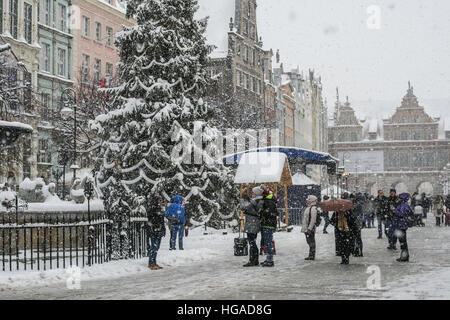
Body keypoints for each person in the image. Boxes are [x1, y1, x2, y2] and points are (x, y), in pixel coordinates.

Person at [240, 187, 263, 267]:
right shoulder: (257, 200)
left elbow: (243, 208)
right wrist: (249, 199)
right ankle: (253, 259)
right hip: (253, 224)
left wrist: (243, 199)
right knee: (252, 242)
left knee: (252, 242)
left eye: (253, 192)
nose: (252, 194)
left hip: (252, 224)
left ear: (256, 193)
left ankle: (254, 260)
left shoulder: (257, 201)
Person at [259, 186, 278, 267]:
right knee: (267, 242)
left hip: (268, 224)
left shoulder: (268, 201)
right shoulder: (270, 200)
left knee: (268, 242)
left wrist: (262, 211)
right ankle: (268, 259)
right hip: (268, 224)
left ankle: (270, 260)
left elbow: (269, 213)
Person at [393, 193, 413, 262]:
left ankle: (404, 257)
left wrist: (394, 210)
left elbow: (402, 214)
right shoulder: (402, 204)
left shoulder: (404, 205)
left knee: (403, 242)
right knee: (402, 242)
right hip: (400, 225)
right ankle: (404, 256)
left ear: (402, 198)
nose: (398, 199)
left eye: (399, 198)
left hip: (401, 225)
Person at [147, 198, 166, 270]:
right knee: (153, 247)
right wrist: (154, 226)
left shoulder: (160, 209)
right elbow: (150, 220)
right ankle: (151, 263)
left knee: (157, 247)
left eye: (161, 201)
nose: (161, 202)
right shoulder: (153, 209)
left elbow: (162, 221)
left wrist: (163, 230)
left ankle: (154, 262)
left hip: (159, 231)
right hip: (154, 231)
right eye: (159, 200)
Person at [301, 195, 318, 260]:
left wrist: (309, 228)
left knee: (311, 241)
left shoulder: (313, 208)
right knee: (309, 241)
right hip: (307, 228)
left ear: (312, 201)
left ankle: (312, 255)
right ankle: (311, 254)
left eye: (308, 200)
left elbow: (313, 220)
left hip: (310, 228)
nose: (307, 201)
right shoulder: (309, 207)